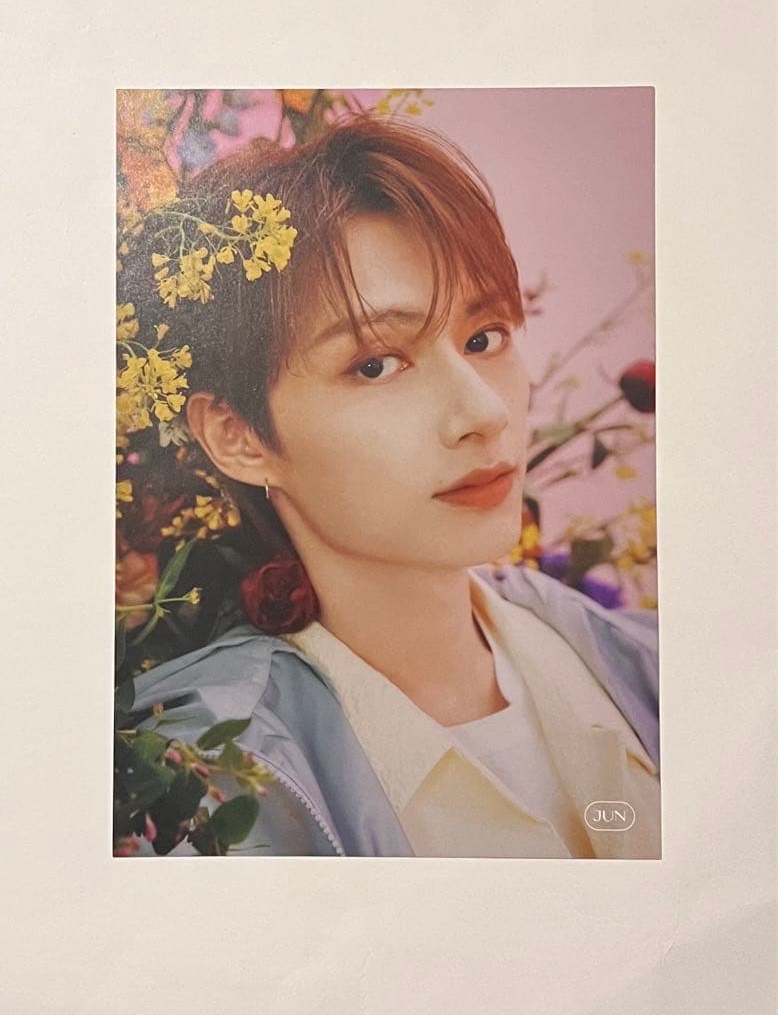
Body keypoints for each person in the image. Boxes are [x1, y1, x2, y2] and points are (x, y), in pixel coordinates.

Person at [122, 114, 660, 858]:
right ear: (237, 436)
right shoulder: (187, 789)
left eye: (484, 338)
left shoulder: (656, 665)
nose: (484, 412)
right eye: (375, 365)